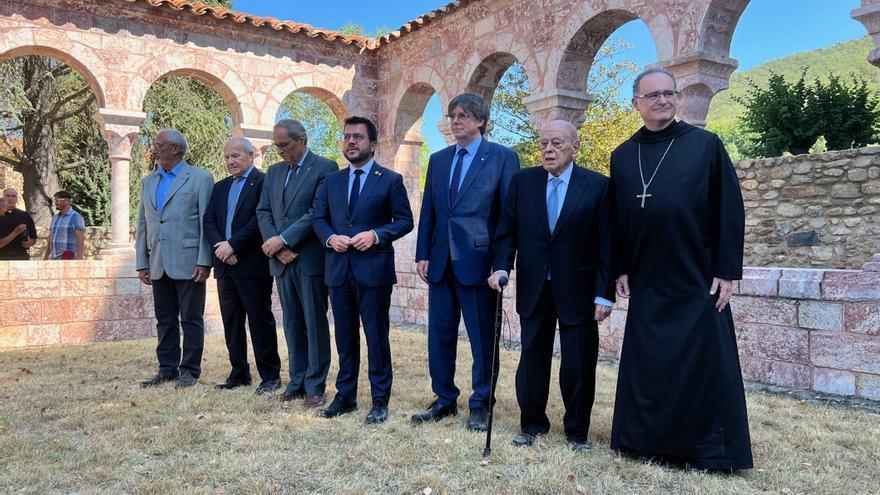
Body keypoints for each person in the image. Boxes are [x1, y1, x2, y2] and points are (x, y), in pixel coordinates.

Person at [608, 68, 752, 471]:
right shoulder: (621, 156)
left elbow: (729, 209)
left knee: (700, 363)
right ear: (636, 103)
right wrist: (619, 267)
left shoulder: (704, 145)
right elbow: (616, 220)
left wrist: (727, 270)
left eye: (669, 93)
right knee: (650, 363)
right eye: (652, 95)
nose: (662, 101)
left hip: (696, 275)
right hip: (647, 277)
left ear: (678, 98)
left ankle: (705, 450)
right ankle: (644, 442)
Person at [489, 120, 614, 452]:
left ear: (575, 147)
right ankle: (531, 424)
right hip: (534, 287)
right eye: (544, 143)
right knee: (532, 358)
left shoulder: (598, 186)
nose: (548, 149)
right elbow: (507, 232)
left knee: (578, 361)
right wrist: (501, 266)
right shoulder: (522, 182)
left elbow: (607, 245)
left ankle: (576, 432)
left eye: (557, 144)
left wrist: (605, 293)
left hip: (579, 290)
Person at [412, 92, 520, 431]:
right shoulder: (439, 159)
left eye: (463, 115)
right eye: (452, 115)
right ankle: (444, 399)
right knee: (439, 336)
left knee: (482, 340)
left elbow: (508, 218)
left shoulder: (503, 158)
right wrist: (423, 253)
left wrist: (501, 264)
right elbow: (429, 209)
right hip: (441, 263)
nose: (456, 120)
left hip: (480, 264)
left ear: (480, 121)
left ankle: (480, 405)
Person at [312, 116, 414, 424]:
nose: (351, 142)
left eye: (358, 137)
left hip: (374, 272)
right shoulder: (332, 181)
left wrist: (376, 235)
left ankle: (379, 400)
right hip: (338, 271)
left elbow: (404, 221)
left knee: (376, 337)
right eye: (347, 137)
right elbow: (318, 219)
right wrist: (330, 238)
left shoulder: (390, 179)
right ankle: (345, 396)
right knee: (344, 337)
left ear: (373, 144)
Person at [257, 119, 338, 406]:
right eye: (276, 145)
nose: (278, 151)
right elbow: (263, 211)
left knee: (314, 323)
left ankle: (315, 385)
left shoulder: (325, 168)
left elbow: (317, 211)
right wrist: (276, 246)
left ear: (302, 140)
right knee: (291, 323)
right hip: (282, 262)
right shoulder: (274, 172)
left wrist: (285, 240)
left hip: (310, 260)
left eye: (283, 145)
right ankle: (297, 381)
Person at [136, 129, 214, 389]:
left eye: (159, 145)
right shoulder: (148, 181)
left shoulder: (200, 178)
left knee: (191, 319)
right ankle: (166, 369)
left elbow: (206, 222)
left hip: (190, 262)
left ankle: (189, 371)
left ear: (176, 149)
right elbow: (144, 224)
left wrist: (205, 260)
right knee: (165, 320)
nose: (154, 148)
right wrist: (142, 262)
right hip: (158, 263)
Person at [204, 137, 281, 395]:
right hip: (225, 264)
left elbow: (259, 221)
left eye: (236, 156)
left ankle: (270, 376)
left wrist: (233, 245)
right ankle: (239, 372)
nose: (231, 161)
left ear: (251, 155)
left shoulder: (262, 182)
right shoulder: (220, 187)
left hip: (251, 265)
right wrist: (221, 247)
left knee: (260, 320)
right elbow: (209, 220)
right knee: (232, 322)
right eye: (227, 157)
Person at [43, 191, 85, 260]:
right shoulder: (55, 218)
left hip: (69, 258)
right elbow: (51, 238)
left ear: (66, 201)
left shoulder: (76, 217)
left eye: (57, 200)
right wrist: (46, 256)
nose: (55, 203)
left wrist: (80, 258)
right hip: (54, 257)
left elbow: (80, 238)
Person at [0, 188, 36, 260]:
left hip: (21, 256)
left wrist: (27, 242)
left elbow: (33, 239)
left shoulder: (25, 216)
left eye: (13, 196)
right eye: (7, 196)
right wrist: (16, 232)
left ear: (17, 199)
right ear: (3, 198)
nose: (11, 198)